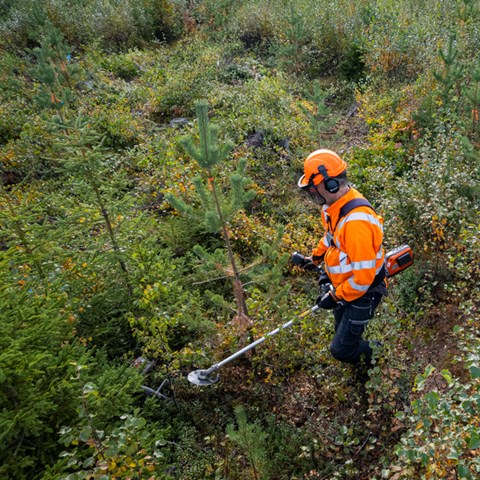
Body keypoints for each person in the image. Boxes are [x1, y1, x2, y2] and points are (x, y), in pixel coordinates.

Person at [297, 149, 387, 370]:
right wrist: (315, 258)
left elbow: (363, 279)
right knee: (341, 328)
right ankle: (357, 354)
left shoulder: (356, 223)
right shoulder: (334, 207)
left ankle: (380, 353)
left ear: (330, 185)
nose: (311, 193)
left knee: (341, 349)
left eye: (313, 187)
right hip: (344, 285)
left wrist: (336, 296)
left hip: (364, 292)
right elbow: (331, 237)